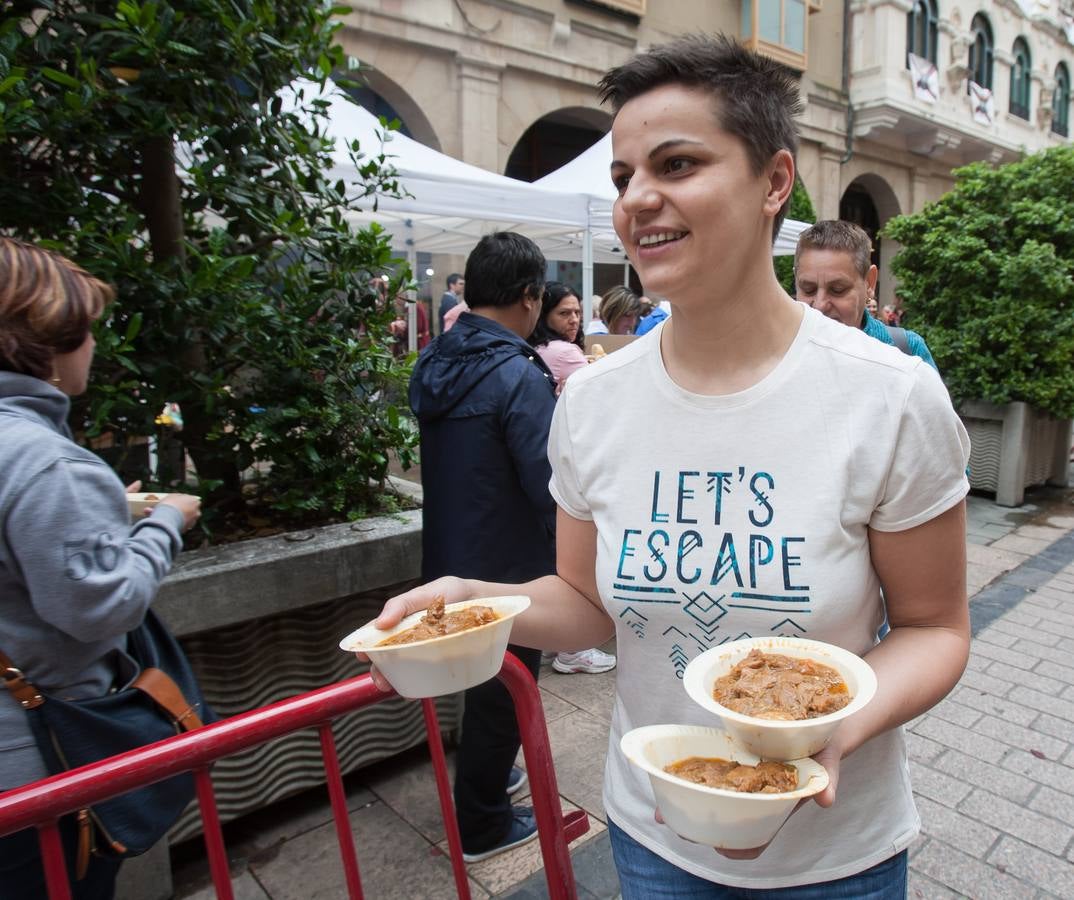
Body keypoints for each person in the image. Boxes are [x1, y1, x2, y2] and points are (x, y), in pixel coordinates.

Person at [367, 34, 970, 897]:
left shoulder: (890, 394)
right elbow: (583, 603)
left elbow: (935, 629)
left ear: (774, 182)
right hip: (653, 835)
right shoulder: (591, 401)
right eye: (622, 178)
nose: (638, 200)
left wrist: (838, 728)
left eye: (677, 164)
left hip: (837, 845)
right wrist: (477, 603)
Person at [0, 238, 202, 899]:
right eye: (85, 331)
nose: (92, 347)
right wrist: (163, 523)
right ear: (50, 343)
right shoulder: (46, 463)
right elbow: (104, 603)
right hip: (38, 771)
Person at [408, 231, 556, 863]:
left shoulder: (438, 358)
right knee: (505, 687)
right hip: (509, 563)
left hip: (451, 553)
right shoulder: (517, 374)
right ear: (529, 297)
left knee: (484, 684)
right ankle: (482, 823)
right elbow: (548, 484)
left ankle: (489, 783)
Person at [528, 282, 617, 675]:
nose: (574, 320)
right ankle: (573, 652)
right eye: (565, 313)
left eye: (577, 312)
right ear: (544, 312)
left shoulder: (538, 351)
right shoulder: (566, 355)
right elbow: (602, 391)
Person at [794, 220, 937, 369]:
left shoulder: (908, 352)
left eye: (837, 289)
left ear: (869, 282)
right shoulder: (778, 350)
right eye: (808, 289)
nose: (820, 305)